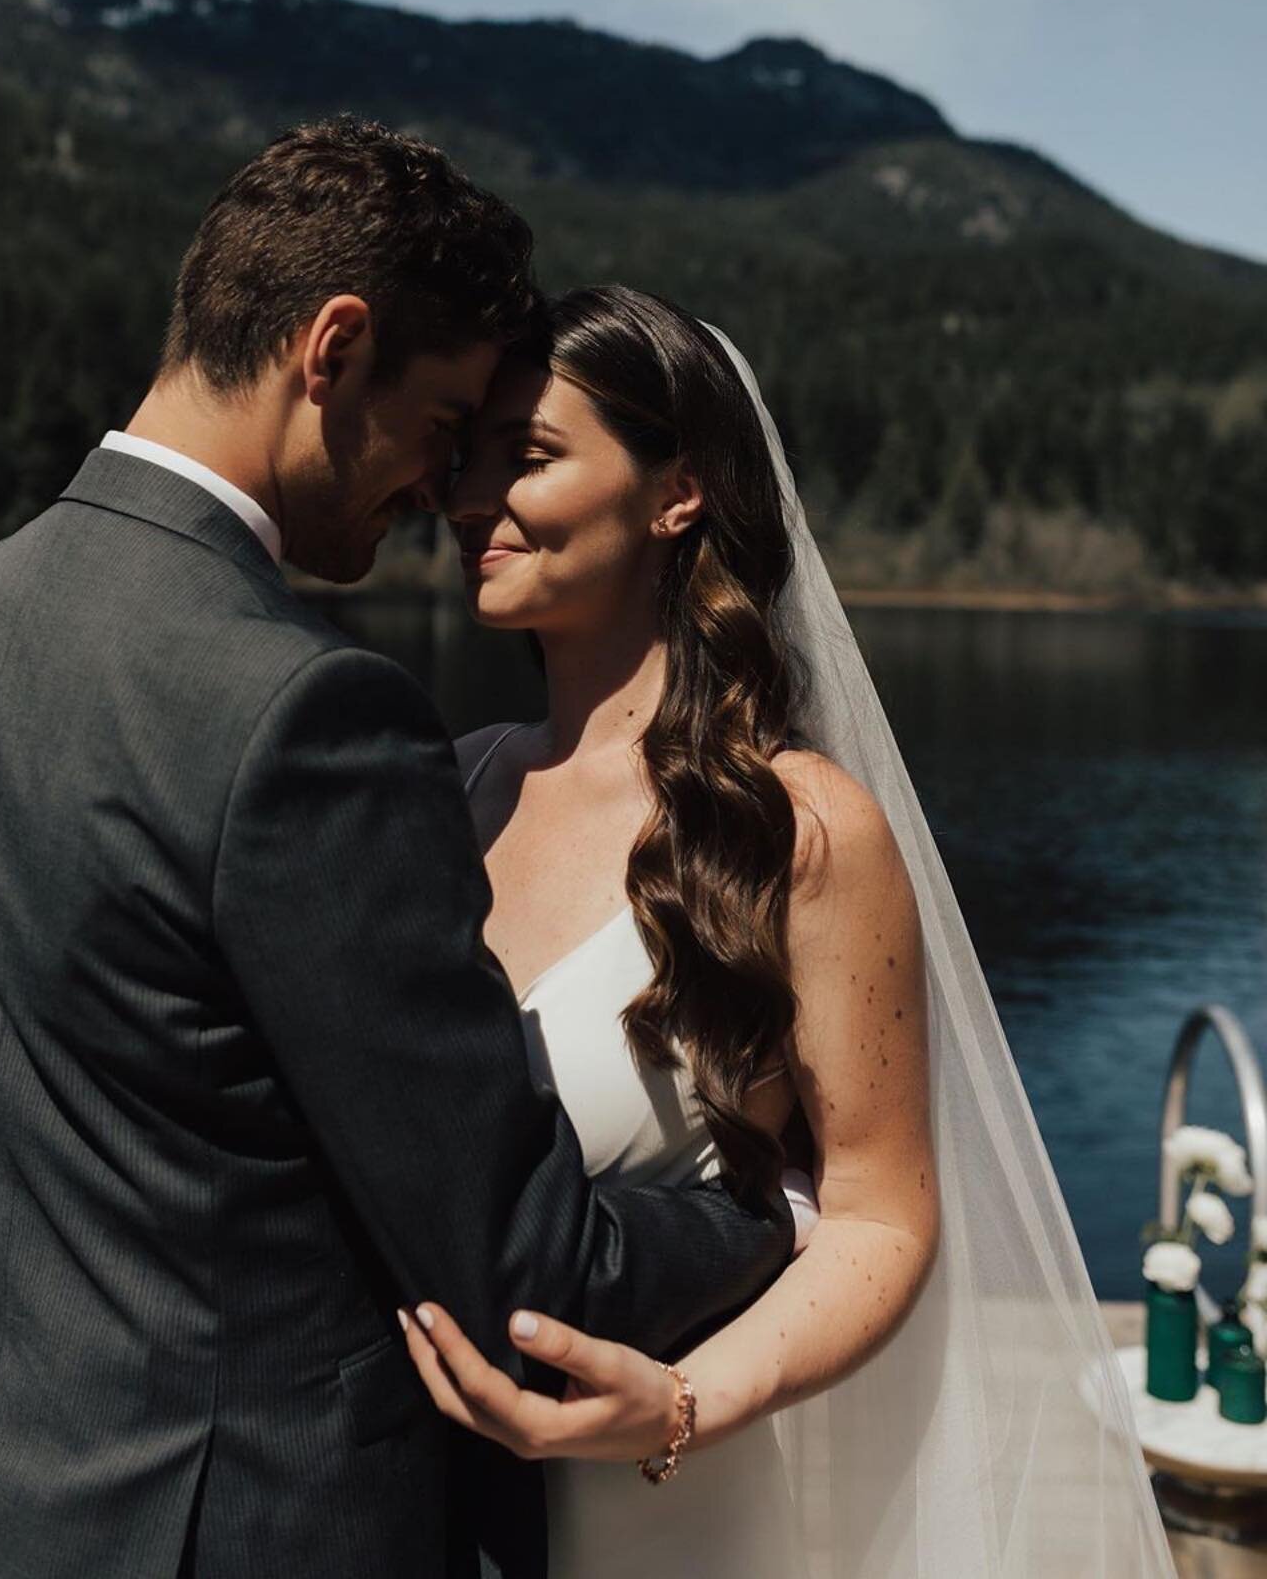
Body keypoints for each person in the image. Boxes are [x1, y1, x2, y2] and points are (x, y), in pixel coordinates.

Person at [0, 125, 799, 1579]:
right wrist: (760, 1217)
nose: (439, 492)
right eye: (441, 425)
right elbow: (521, 1265)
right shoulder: (310, 711)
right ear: (332, 352)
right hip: (249, 1529)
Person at [401, 286, 1177, 1576]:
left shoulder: (800, 830)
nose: (472, 495)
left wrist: (680, 1409)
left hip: (667, 1504)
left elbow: (882, 1217)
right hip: (426, 1494)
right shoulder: (451, 785)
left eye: (528, 456)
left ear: (677, 493)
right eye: (467, 455)